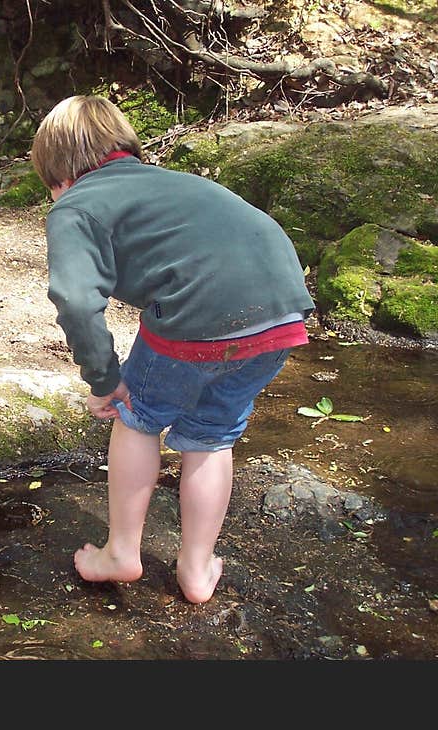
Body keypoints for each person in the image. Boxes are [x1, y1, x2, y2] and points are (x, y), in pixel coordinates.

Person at [30, 95, 315, 604]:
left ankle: (121, 552)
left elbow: (75, 299)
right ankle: (198, 568)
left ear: (57, 175)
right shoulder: (172, 183)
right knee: (212, 436)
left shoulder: (77, 204)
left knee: (136, 415)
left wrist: (104, 379)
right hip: (282, 315)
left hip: (200, 316)